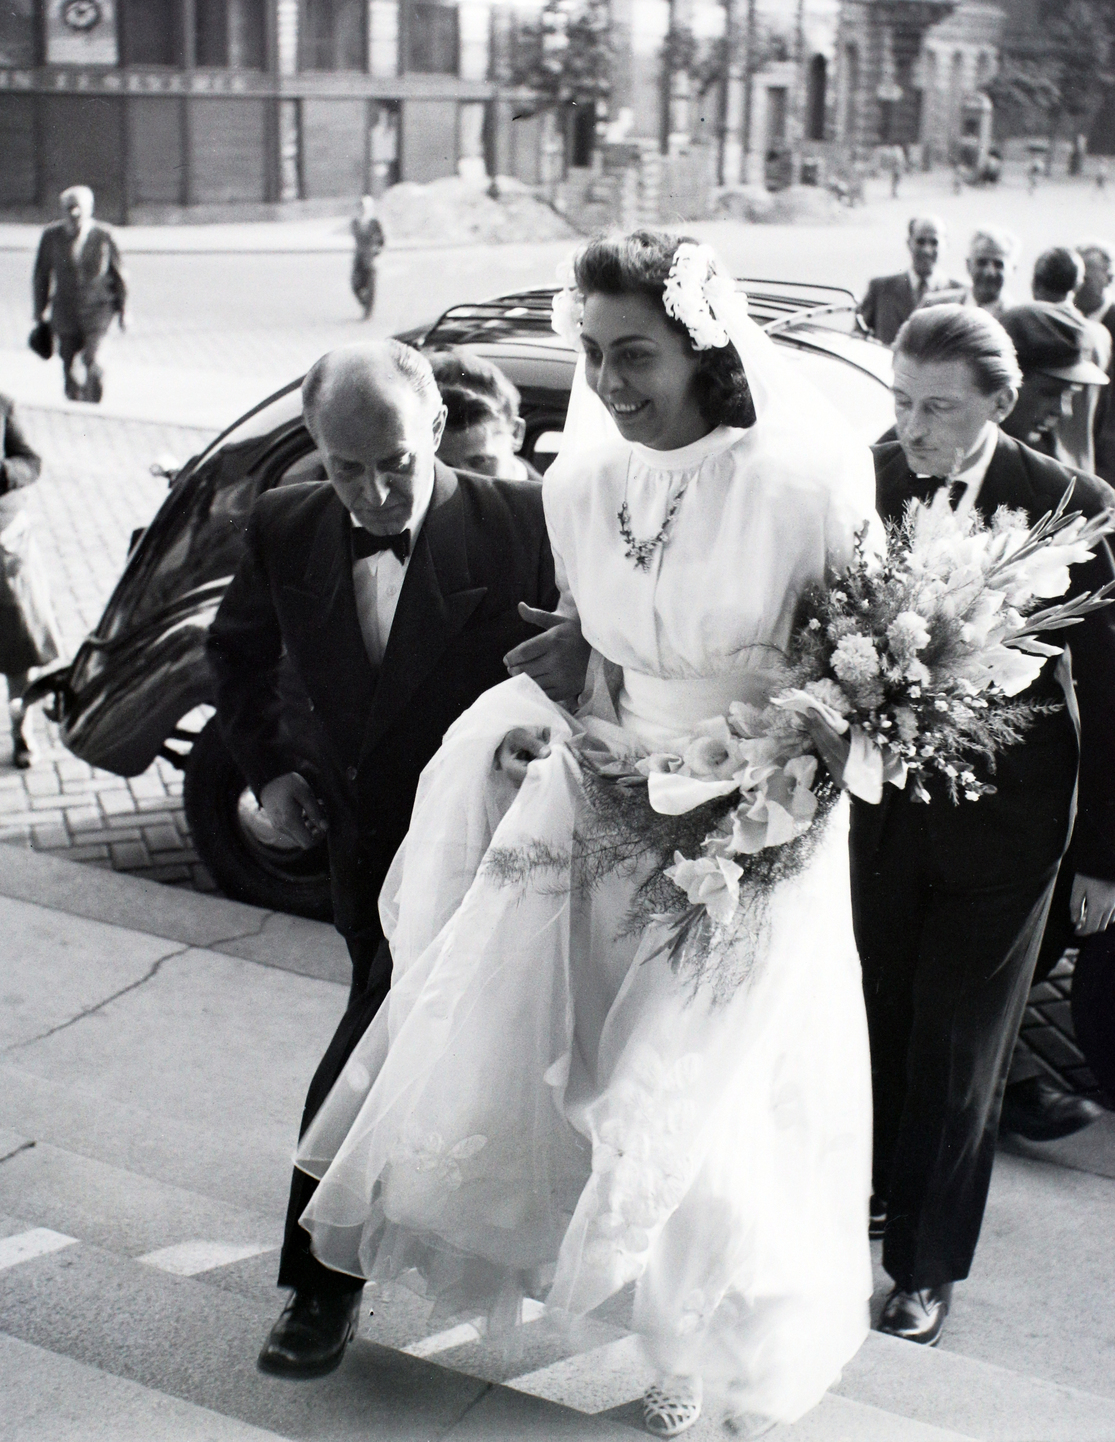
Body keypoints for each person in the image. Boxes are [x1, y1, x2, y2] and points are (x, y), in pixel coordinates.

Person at [293, 232, 877, 1437]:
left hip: (746, 831)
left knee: (692, 1095)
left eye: (636, 354)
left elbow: (854, 687)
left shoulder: (801, 480)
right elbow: (591, 643)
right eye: (593, 352)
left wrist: (770, 803)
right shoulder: (580, 477)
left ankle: (691, 1347)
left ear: (700, 347)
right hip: (598, 805)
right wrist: (553, 702)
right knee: (562, 1072)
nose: (610, 384)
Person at [206, 341, 568, 1381]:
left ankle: (317, 1289)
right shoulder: (285, 519)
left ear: (440, 432)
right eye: (344, 463)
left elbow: (589, 670)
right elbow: (235, 653)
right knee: (400, 1048)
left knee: (373, 1047)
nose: (369, 491)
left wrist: (543, 740)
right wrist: (268, 775)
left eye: (395, 464)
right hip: (362, 855)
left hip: (495, 855)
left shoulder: (523, 524)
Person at [853, 304, 1115, 1349]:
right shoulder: (864, 483)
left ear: (1001, 406)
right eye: (900, 402)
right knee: (874, 1026)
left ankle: (923, 1267)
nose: (911, 428)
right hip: (874, 822)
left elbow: (1110, 693)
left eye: (936, 408)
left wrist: (1100, 857)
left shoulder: (1075, 507)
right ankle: (869, 1196)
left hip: (1006, 840)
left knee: (960, 1056)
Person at [0, 395, 62, 768]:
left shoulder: (2, 404)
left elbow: (30, 461)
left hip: (5, 545)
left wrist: (4, 471)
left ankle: (21, 728)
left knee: (19, 648)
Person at [32, 186, 125, 404]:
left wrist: (124, 311)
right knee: (68, 361)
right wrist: (39, 310)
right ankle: (75, 403)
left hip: (98, 309)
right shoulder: (51, 236)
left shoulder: (105, 235)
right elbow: (41, 274)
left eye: (78, 208)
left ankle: (94, 396)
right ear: (62, 210)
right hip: (65, 311)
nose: (73, 213)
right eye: (68, 207)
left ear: (90, 209)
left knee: (94, 359)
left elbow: (120, 275)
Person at [998, 303, 1109, 472]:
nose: (1063, 411)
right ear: (1002, 382)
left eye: (1070, 394)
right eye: (1050, 393)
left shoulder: (1048, 465)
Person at [430, 349, 541, 480]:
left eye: (478, 462)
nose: (459, 482)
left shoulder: (550, 500)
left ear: (516, 433)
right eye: (442, 466)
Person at [859, 216, 962, 347]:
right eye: (920, 242)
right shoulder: (880, 289)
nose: (926, 250)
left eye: (934, 242)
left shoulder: (959, 293)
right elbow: (857, 338)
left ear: (946, 245)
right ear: (909, 243)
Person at [1075, 239, 1115, 485]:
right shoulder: (1066, 324)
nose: (1077, 286)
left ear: (1109, 279)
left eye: (1086, 280)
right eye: (1075, 278)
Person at [924, 227, 1016, 319]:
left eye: (998, 264)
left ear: (1013, 270)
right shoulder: (936, 308)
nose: (989, 272)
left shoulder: (1016, 319)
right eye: (982, 262)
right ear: (968, 265)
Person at [350, 196, 385, 320]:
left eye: (364, 207)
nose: (362, 210)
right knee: (355, 285)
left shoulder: (374, 222)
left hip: (370, 259)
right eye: (360, 207)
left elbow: (381, 240)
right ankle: (364, 304)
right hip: (358, 258)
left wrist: (376, 252)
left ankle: (368, 311)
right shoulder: (354, 222)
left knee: (370, 286)